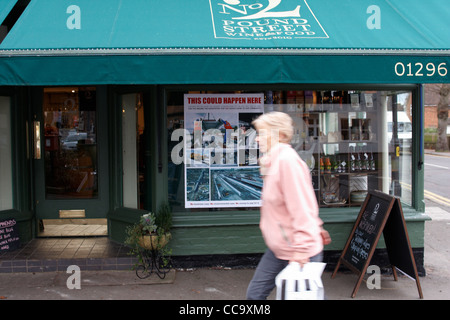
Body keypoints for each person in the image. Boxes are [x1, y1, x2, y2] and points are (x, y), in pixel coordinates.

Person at [246, 111, 331, 300]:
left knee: (258, 296)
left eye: (262, 134)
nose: (257, 139)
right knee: (254, 295)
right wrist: (316, 226)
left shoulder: (287, 162)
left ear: (281, 135)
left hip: (297, 249)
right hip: (280, 247)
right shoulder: (274, 161)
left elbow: (301, 205)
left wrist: (302, 247)